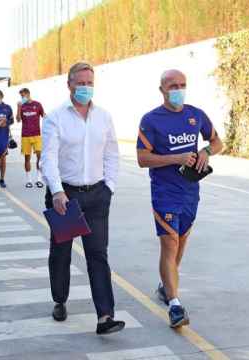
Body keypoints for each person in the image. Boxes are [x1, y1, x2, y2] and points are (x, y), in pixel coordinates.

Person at [41, 62, 125, 335]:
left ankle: (105, 316)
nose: (86, 88)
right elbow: (49, 158)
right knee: (61, 252)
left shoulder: (103, 116)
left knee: (98, 254)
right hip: (66, 196)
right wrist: (57, 191)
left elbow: (112, 152)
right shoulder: (56, 118)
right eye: (81, 83)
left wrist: (109, 186)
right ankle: (60, 299)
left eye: (90, 83)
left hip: (97, 196)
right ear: (69, 85)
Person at [136, 69, 223, 328]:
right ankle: (174, 304)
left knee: (181, 243)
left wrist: (206, 150)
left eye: (182, 85)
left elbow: (218, 142)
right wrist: (176, 158)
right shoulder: (151, 120)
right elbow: (142, 159)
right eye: (173, 85)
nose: (178, 89)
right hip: (164, 193)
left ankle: (166, 286)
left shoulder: (195, 115)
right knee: (170, 244)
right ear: (162, 89)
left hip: (190, 192)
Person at [16, 87, 45, 188]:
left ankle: (39, 179)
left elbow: (44, 116)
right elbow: (18, 120)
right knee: (27, 158)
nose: (22, 97)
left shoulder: (37, 104)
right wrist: (19, 107)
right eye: (21, 96)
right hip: (25, 136)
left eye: (23, 95)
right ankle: (29, 180)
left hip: (37, 135)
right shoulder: (22, 106)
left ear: (28, 94)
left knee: (40, 157)